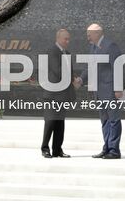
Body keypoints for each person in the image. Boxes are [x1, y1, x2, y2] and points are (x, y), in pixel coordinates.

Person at [41, 27, 80, 158]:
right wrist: (73, 79)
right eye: (65, 38)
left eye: (69, 39)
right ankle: (45, 148)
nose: (68, 41)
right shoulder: (52, 51)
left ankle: (57, 150)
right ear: (58, 38)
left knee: (60, 123)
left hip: (63, 95)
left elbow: (69, 71)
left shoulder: (67, 53)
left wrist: (74, 79)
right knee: (50, 121)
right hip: (52, 95)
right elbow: (57, 70)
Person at [86, 23, 123, 159]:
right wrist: (80, 80)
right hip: (99, 91)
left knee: (113, 120)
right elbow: (90, 67)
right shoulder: (93, 47)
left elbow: (118, 67)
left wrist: (118, 88)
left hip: (110, 90)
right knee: (105, 121)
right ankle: (106, 147)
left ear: (98, 33)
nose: (88, 36)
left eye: (90, 34)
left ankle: (114, 150)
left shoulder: (110, 46)